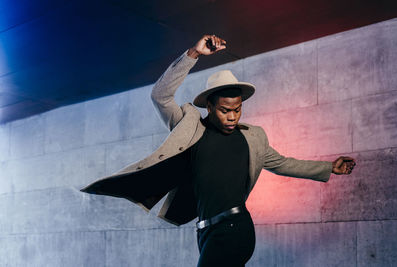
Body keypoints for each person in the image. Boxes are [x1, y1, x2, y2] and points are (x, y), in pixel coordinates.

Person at [81, 34, 356, 267]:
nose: (232, 116)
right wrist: (193, 54)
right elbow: (160, 95)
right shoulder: (190, 128)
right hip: (204, 231)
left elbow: (283, 163)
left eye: (237, 109)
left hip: (235, 228)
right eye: (225, 110)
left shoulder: (253, 138)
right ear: (209, 107)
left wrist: (328, 167)